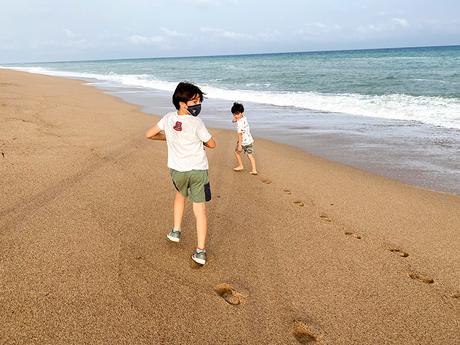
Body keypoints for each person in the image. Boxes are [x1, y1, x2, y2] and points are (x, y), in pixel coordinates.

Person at [145, 82, 216, 265]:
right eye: (195, 101)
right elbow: (212, 144)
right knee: (199, 210)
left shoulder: (168, 118)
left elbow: (149, 134)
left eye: (199, 100)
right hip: (198, 170)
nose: (198, 105)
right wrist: (198, 141)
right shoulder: (197, 122)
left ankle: (176, 231)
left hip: (177, 170)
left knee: (179, 195)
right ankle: (200, 251)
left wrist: (169, 137)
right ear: (182, 102)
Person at [231, 102, 257, 175]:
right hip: (249, 140)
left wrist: (239, 145)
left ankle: (241, 165)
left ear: (241, 113)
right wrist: (235, 119)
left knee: (236, 152)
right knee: (250, 155)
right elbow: (237, 119)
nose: (235, 116)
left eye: (237, 114)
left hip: (243, 142)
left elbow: (240, 135)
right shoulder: (244, 118)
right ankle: (254, 170)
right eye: (234, 114)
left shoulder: (239, 124)